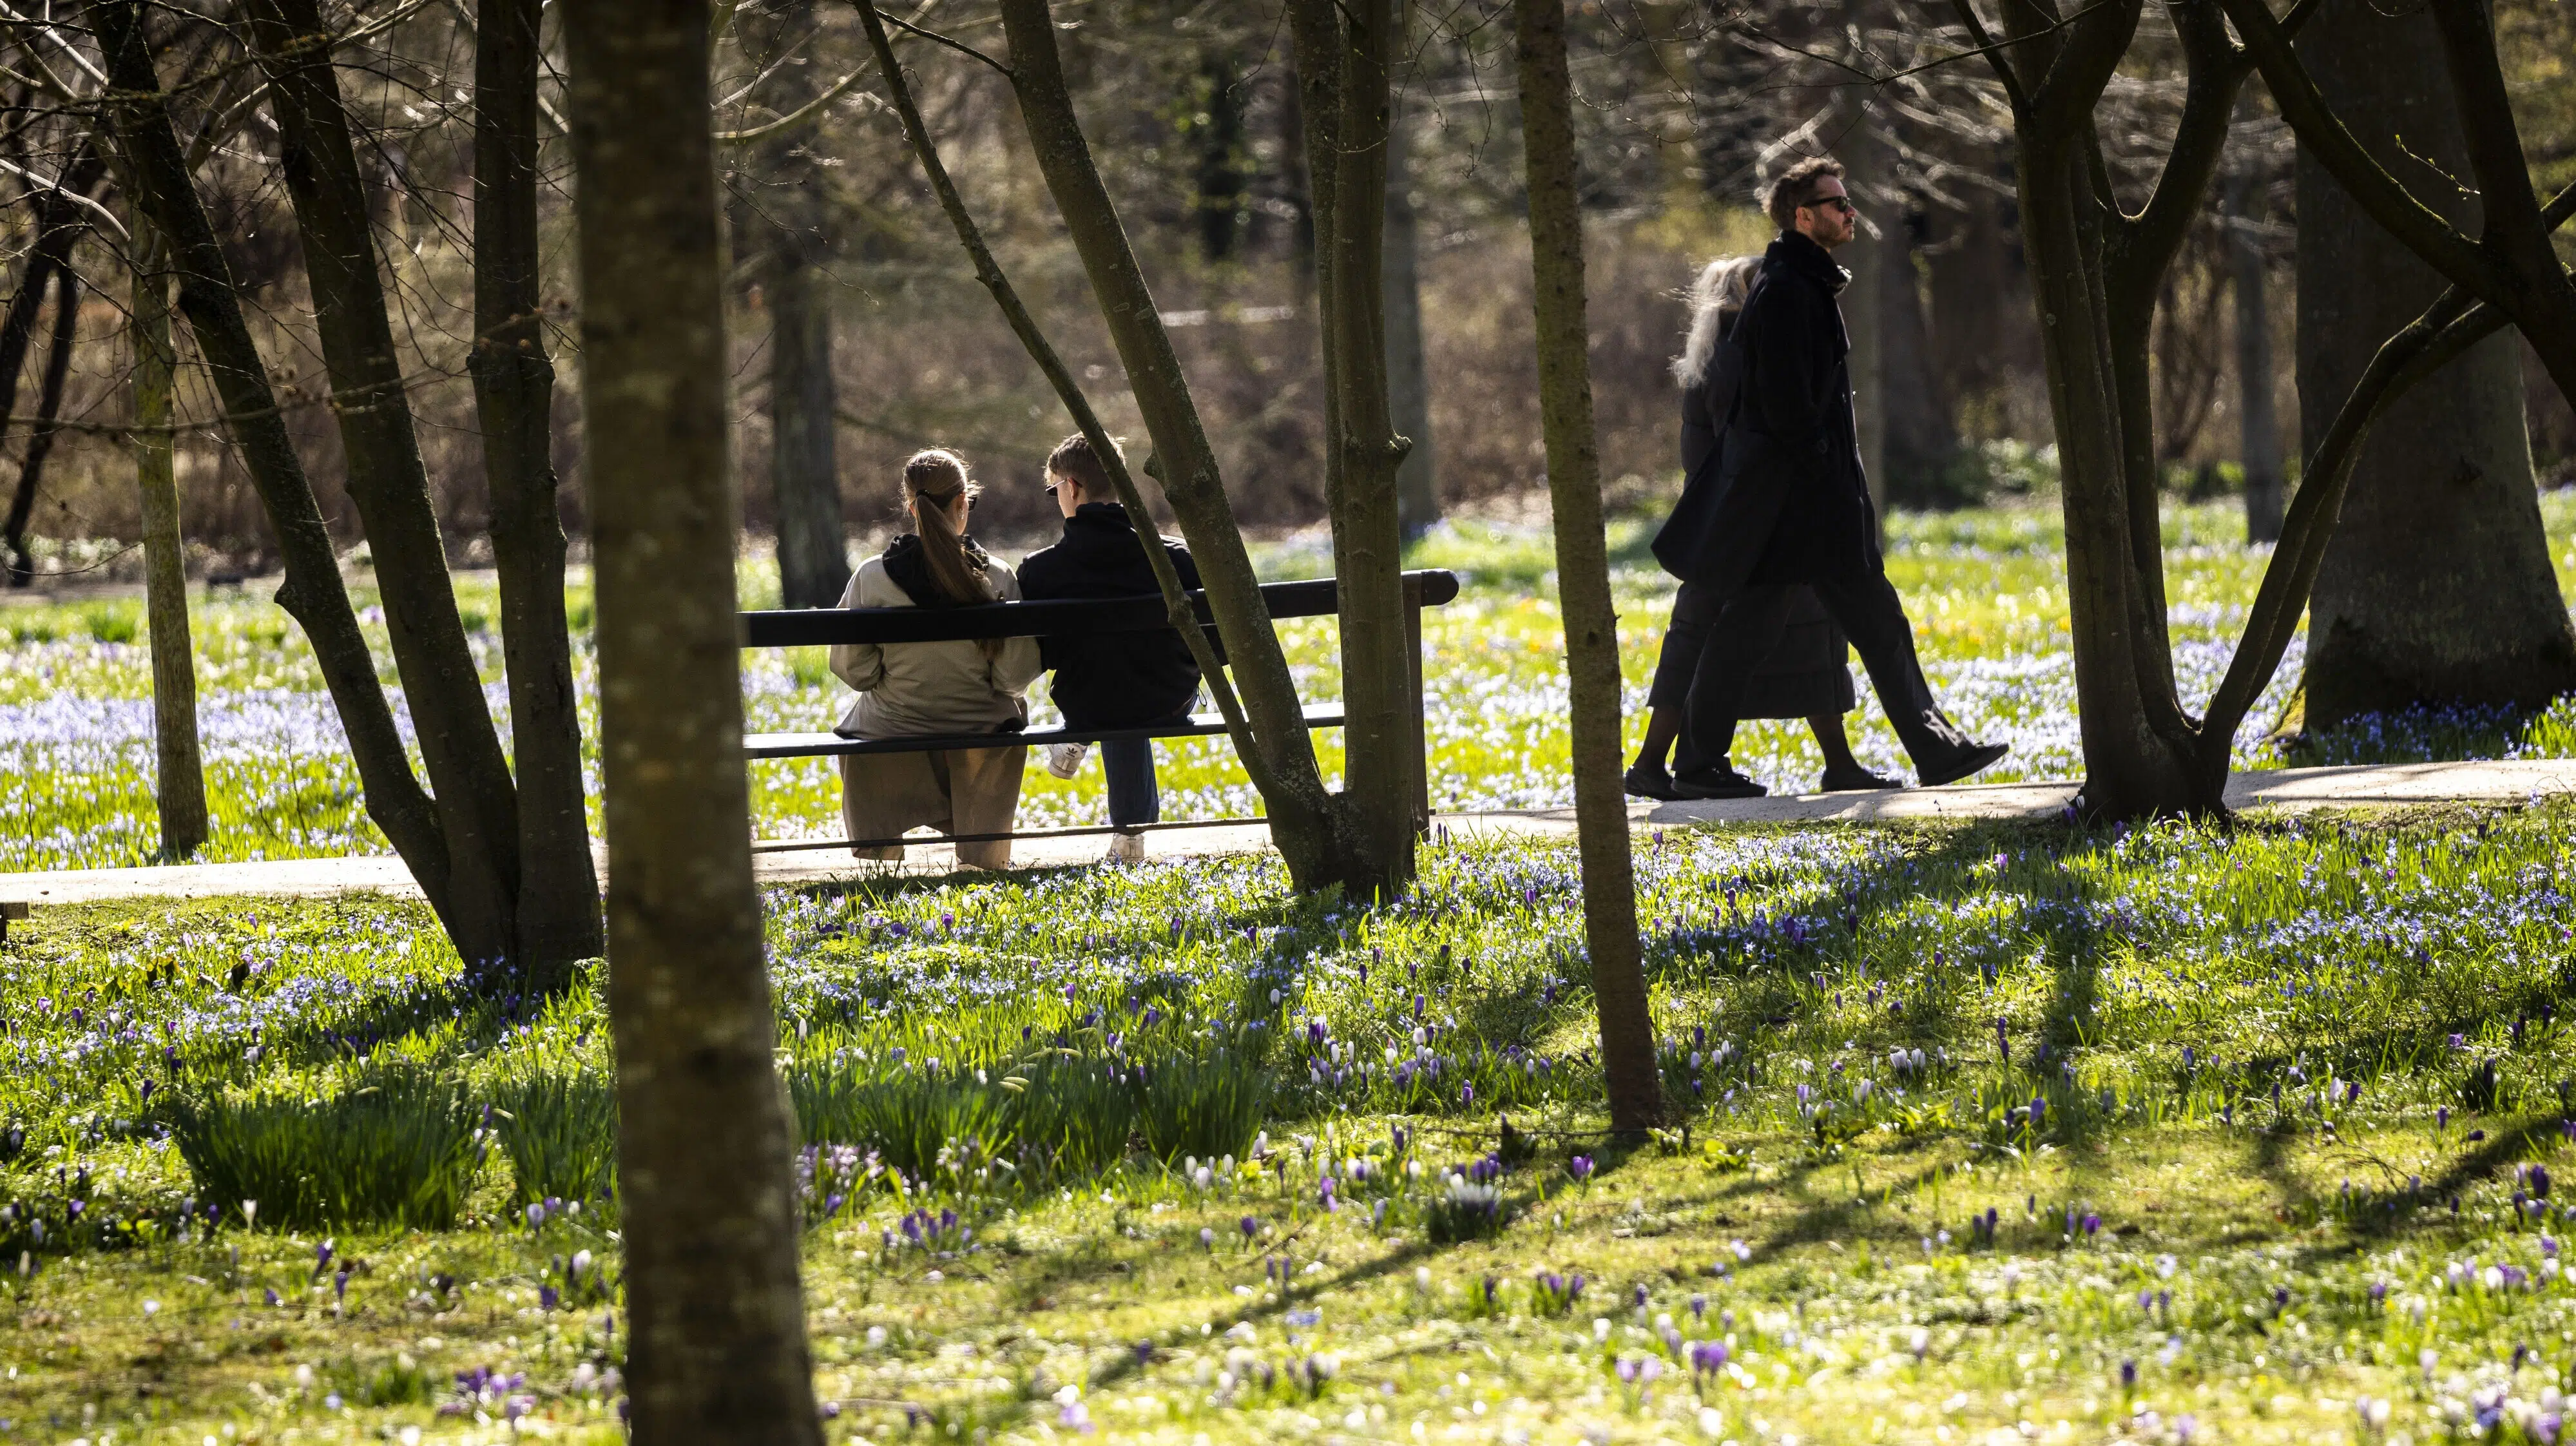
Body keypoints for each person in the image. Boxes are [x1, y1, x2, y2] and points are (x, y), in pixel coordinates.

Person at [1660, 156, 2007, 800]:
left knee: (1759, 629)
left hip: (1796, 505)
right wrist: (1828, 481)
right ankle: (1934, 750)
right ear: (1803, 216)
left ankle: (1699, 763)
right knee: (1873, 624)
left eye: (1847, 201)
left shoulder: (1800, 283)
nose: (1850, 213)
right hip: (1809, 507)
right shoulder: (1788, 291)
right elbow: (1788, 408)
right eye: (1837, 204)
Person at [1628, 255, 1897, 801]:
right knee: (1788, 634)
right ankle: (1674, 765)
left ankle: (1662, 764)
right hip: (1756, 522)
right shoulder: (1750, 352)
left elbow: (1700, 454)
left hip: (1730, 522)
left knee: (1734, 636)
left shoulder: (1712, 354)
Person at [829, 448, 1043, 869]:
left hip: (892, 727)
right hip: (979, 727)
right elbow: (1012, 677)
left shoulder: (872, 577)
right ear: (962, 503)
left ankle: (882, 855)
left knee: (862, 724)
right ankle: (980, 858)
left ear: (911, 508)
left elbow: (854, 671)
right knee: (1010, 713)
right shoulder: (997, 576)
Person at [1016, 432, 1208, 864]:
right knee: (1125, 686)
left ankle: (1081, 738)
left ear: (1072, 487)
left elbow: (1036, 655)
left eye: (1053, 490)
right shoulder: (1174, 558)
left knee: (1108, 688)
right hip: (1169, 697)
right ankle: (1130, 837)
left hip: (1086, 700)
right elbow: (1215, 648)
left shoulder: (1041, 570)